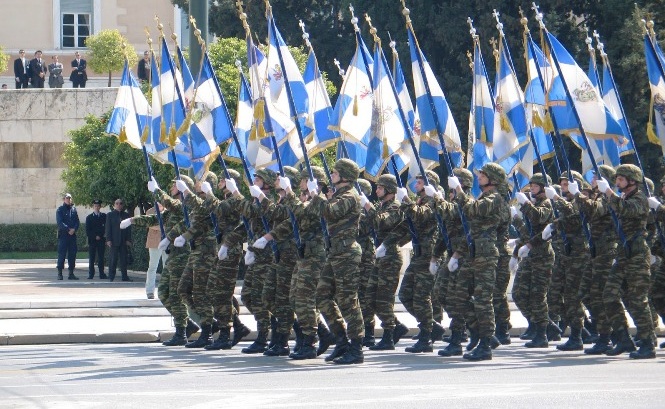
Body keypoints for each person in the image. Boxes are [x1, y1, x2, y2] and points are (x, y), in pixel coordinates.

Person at [309, 158, 365, 365]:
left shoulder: (350, 196)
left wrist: (317, 196)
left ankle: (356, 347)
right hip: (335, 253)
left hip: (346, 254)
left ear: (345, 176)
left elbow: (330, 212)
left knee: (348, 300)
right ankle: (341, 340)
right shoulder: (339, 195)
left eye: (334, 172)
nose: (331, 175)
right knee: (322, 295)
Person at [601, 164, 656, 359]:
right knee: (609, 295)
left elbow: (626, 210)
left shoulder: (640, 198)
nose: (617, 182)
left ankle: (648, 343)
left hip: (637, 255)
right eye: (616, 179)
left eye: (621, 179)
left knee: (637, 299)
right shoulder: (623, 197)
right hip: (623, 255)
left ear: (632, 181)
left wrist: (608, 193)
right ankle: (624, 338)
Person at [105, 198, 132, 282]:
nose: (118, 205)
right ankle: (111, 276)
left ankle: (125, 276)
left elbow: (128, 228)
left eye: (120, 203)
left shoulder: (126, 215)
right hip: (114, 240)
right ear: (114, 205)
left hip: (123, 240)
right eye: (117, 203)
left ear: (122, 205)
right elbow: (108, 228)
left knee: (123, 260)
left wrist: (128, 239)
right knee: (113, 259)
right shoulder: (110, 215)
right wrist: (108, 239)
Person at [144, 205, 168, 299]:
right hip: (154, 242)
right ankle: (150, 291)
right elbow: (152, 224)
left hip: (166, 242)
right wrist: (164, 227)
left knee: (167, 267)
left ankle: (166, 291)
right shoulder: (150, 212)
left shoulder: (169, 210)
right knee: (152, 267)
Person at [56, 193, 80, 280]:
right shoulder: (60, 210)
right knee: (62, 254)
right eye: (67, 198)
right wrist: (68, 229)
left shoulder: (73, 210)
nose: (68, 200)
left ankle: (71, 273)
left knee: (72, 254)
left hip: (72, 236)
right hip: (64, 235)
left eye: (70, 198)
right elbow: (60, 222)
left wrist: (74, 229)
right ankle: (60, 273)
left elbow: (77, 221)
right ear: (64, 199)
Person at [85, 199, 107, 279]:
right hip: (92, 241)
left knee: (101, 258)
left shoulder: (104, 216)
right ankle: (91, 274)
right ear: (93, 207)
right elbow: (88, 230)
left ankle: (102, 273)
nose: (96, 207)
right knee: (92, 258)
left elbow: (106, 228)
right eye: (95, 206)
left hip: (101, 240)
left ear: (100, 207)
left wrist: (101, 236)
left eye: (98, 206)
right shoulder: (89, 217)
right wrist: (95, 236)